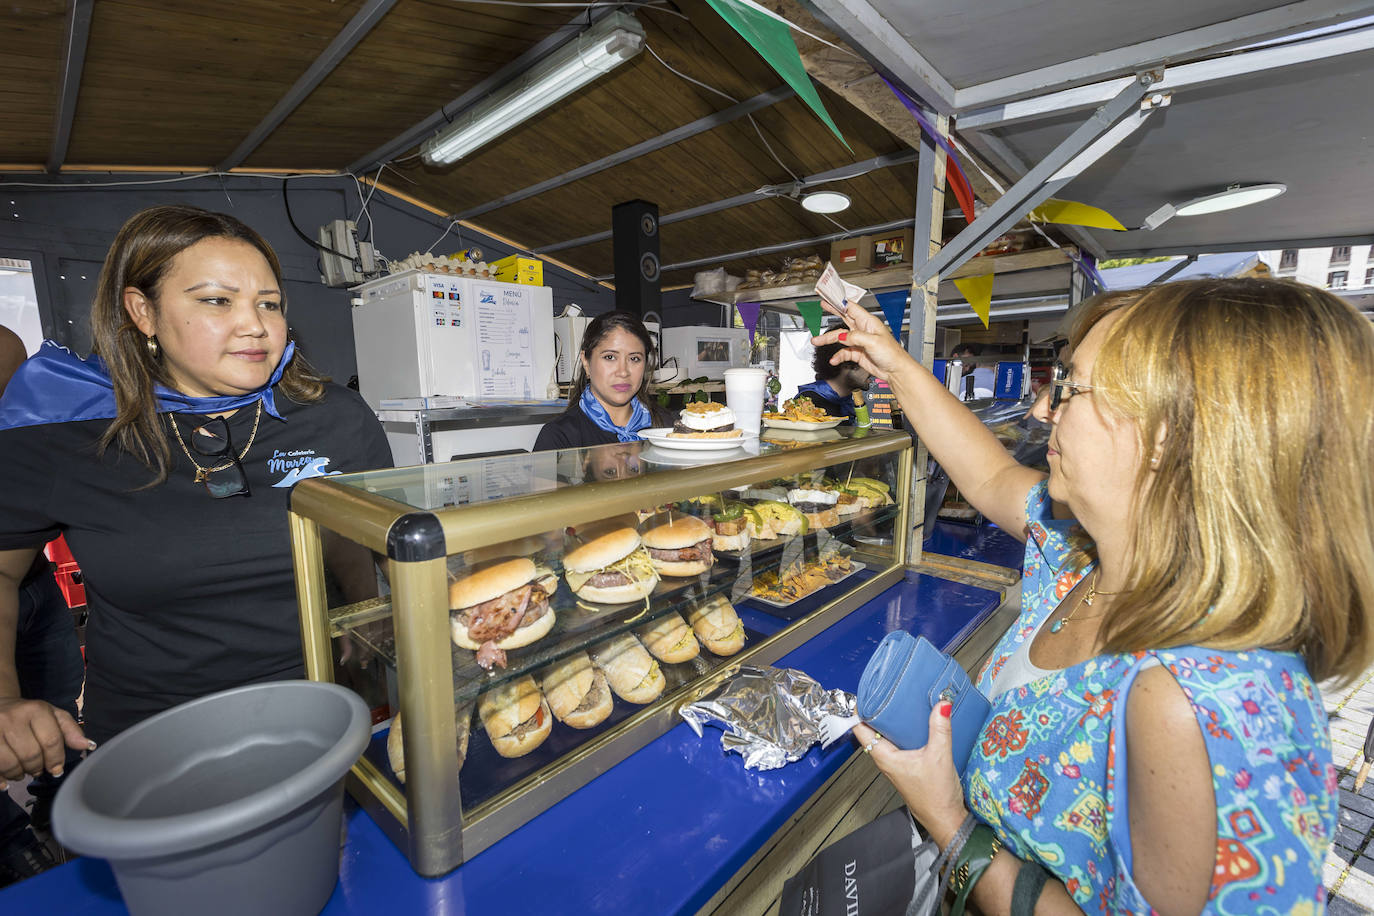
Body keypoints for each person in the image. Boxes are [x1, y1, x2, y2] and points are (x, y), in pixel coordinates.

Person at [814, 278, 1374, 915]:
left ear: (1172, 435)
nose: (1041, 411)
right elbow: (991, 472)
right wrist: (894, 362)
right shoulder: (1079, 552)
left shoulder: (1194, 702)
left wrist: (949, 821)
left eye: (1071, 389)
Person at [0, 205, 393, 788]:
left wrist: (370, 625)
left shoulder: (334, 417)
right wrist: (5, 698)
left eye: (269, 302)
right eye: (216, 300)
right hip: (155, 744)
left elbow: (367, 544)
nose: (255, 325)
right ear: (143, 311)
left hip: (319, 721)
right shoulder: (67, 434)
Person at [0, 326, 84, 886]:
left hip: (34, 581)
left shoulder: (6, 347)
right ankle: (13, 847)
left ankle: (62, 815)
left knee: (58, 707)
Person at [534, 310, 670, 451]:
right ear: (586, 362)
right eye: (610, 357)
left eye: (634, 358)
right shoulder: (559, 437)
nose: (623, 372)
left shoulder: (667, 428)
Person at [793, 341, 872, 421]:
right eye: (867, 363)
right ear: (846, 363)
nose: (874, 372)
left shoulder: (849, 403)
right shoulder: (808, 403)